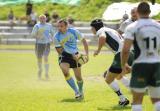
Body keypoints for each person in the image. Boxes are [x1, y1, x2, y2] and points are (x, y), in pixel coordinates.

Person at [121, 2, 160, 111]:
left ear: (137, 12)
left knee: (137, 101)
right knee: (157, 100)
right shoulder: (158, 26)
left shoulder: (132, 27)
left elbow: (125, 51)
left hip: (141, 65)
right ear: (150, 12)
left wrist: (123, 65)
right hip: (156, 64)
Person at [90, 19, 134, 106]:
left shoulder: (100, 31)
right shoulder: (110, 29)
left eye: (91, 28)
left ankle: (123, 99)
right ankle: (135, 93)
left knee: (108, 78)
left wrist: (98, 50)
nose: (91, 30)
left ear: (95, 28)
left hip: (121, 55)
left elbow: (102, 37)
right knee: (118, 76)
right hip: (130, 52)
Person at [54, 19, 89, 99]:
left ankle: (80, 90)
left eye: (61, 26)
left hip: (76, 55)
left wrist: (87, 55)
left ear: (66, 26)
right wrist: (70, 55)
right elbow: (59, 51)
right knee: (65, 72)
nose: (59, 28)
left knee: (78, 77)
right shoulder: (56, 36)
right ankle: (76, 92)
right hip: (64, 56)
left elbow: (84, 41)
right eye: (58, 26)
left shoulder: (74, 31)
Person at [31, 14, 55, 80]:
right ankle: (40, 70)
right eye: (41, 18)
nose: (42, 19)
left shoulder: (49, 26)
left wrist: (53, 40)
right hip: (39, 44)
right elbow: (32, 34)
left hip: (47, 44)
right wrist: (38, 36)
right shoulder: (37, 26)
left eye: (43, 18)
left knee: (46, 57)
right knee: (39, 59)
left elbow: (53, 34)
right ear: (39, 19)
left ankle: (46, 73)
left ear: (46, 19)